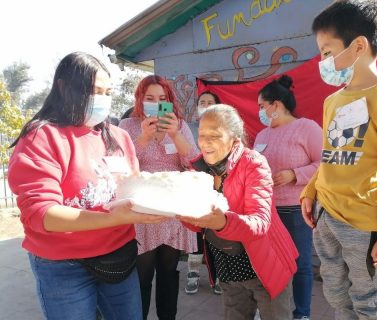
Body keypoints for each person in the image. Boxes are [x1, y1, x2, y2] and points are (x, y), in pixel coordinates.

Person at [7, 52, 167, 320]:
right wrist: (113, 217)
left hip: (119, 258)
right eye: (94, 91)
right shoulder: (43, 137)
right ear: (64, 87)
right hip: (64, 266)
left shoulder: (119, 137)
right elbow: (41, 214)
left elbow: (135, 186)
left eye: (108, 92)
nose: (102, 100)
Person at [301, 1, 377, 319]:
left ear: (359, 45)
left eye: (327, 51)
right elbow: (330, 154)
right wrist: (310, 191)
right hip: (326, 218)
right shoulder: (332, 101)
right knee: (338, 298)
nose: (322, 61)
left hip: (363, 225)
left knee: (368, 302)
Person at [178, 104, 299, 320]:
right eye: (202, 134)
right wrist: (181, 211)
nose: (205, 142)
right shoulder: (197, 169)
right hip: (227, 268)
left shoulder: (253, 163)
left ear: (234, 138)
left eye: (214, 135)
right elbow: (198, 224)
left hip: (265, 266)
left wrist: (223, 222)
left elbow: (260, 222)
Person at [119, 75, 198, 320]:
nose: (156, 103)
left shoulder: (180, 125)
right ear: (140, 100)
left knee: (168, 271)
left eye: (162, 99)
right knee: (142, 274)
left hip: (173, 209)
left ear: (170, 101)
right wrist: (142, 137)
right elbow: (122, 165)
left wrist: (175, 135)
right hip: (143, 209)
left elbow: (194, 163)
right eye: (150, 98)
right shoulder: (127, 126)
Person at [254, 75, 323, 320]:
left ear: (276, 104)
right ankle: (271, 310)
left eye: (262, 106)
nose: (260, 111)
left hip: (296, 209)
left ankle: (302, 313)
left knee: (301, 265)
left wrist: (295, 174)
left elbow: (325, 165)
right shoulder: (262, 135)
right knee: (270, 265)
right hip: (266, 211)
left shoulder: (307, 128)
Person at [185, 90, 223, 295]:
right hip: (195, 189)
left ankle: (217, 276)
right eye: (202, 102)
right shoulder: (188, 128)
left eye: (210, 102)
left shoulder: (225, 129)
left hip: (218, 189)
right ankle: (192, 274)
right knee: (195, 236)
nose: (206, 105)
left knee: (216, 234)